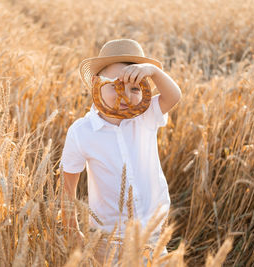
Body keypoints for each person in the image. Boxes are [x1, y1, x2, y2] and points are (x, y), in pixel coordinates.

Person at [59, 39, 182, 265]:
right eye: (116, 85)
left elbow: (174, 96)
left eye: (135, 88)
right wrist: (72, 229)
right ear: (97, 82)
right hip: (108, 238)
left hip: (153, 230)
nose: (126, 94)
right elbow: (67, 187)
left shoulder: (146, 116)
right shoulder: (82, 131)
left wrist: (153, 71)